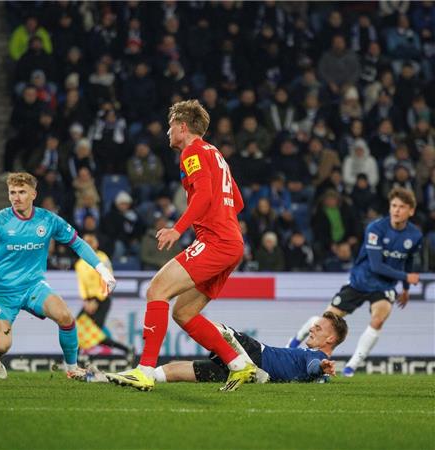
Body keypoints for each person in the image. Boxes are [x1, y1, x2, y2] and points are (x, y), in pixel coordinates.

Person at [107, 99, 253, 392]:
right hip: (231, 242)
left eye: (171, 125)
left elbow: (204, 196)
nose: (168, 132)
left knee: (156, 290)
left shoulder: (192, 151)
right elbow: (237, 201)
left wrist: (178, 229)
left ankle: (144, 371)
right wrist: (220, 221)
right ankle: (238, 364)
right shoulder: (215, 153)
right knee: (183, 313)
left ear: (183, 127)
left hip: (216, 241)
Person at [0, 172, 116, 380]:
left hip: (33, 287)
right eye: (12, 193)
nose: (16, 197)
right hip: (2, 292)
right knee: (2, 346)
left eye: (22, 192)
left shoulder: (47, 220)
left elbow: (78, 243)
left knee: (66, 317)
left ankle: (72, 368)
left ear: (33, 194)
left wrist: (103, 270)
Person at [288, 188, 422, 376]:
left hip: (384, 287)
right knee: (325, 321)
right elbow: (376, 265)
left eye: (401, 207)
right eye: (393, 206)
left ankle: (350, 367)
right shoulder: (375, 229)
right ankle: (292, 344)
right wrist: (406, 278)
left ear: (411, 210)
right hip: (360, 281)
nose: (396, 210)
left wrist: (406, 289)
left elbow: (408, 261)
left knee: (378, 319)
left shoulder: (414, 235)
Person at [156, 313, 348, 384]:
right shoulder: (318, 366)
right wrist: (322, 372)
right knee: (184, 371)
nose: (312, 329)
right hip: (249, 372)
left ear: (330, 338)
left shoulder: (317, 355)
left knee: (212, 327)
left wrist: (321, 367)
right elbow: (315, 373)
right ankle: (149, 375)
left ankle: (183, 315)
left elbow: (313, 366)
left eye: (318, 328)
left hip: (254, 354)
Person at [74, 233, 132, 358]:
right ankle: (74, 361)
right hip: (88, 302)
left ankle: (74, 361)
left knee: (93, 332)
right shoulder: (79, 263)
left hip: (102, 300)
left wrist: (97, 299)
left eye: (92, 241)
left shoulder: (102, 258)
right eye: (86, 242)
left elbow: (107, 278)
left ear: (96, 243)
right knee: (76, 330)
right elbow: (81, 285)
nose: (89, 244)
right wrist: (86, 301)